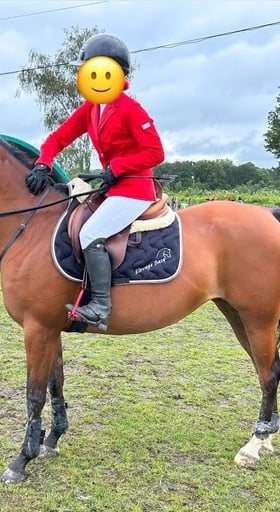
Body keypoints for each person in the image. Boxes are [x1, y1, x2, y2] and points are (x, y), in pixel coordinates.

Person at [24, 33, 165, 331]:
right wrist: (42, 162)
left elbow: (155, 151)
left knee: (90, 233)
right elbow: (58, 137)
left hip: (134, 189)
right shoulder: (92, 107)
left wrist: (119, 167)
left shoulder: (129, 108)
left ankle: (100, 307)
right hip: (112, 188)